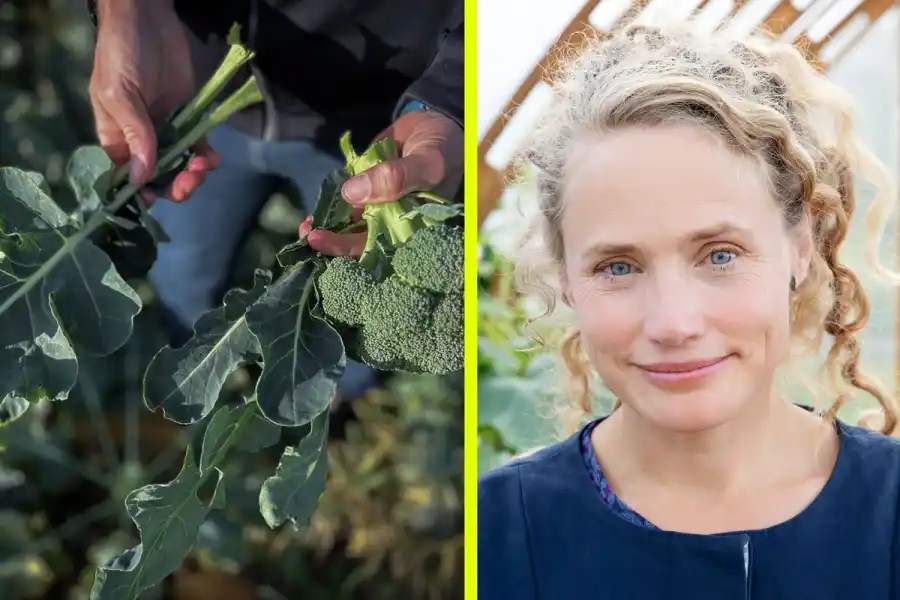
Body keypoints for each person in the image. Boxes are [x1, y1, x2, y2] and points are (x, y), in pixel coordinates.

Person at [478, 22, 900, 599]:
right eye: (618, 267)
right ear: (567, 278)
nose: (674, 323)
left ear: (800, 247)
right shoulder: (490, 536)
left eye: (720, 255)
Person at [84, 0, 464, 400]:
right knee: (180, 272)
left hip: (384, 108)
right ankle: (200, 363)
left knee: (348, 339)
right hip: (196, 91)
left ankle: (340, 400)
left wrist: (447, 96)